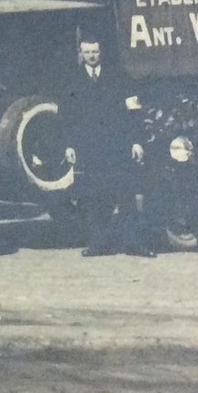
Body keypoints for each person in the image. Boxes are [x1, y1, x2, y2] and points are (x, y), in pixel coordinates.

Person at [58, 34, 153, 258]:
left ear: (102, 53)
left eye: (95, 52)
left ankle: (133, 243)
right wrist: (68, 145)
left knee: (126, 195)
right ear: (81, 54)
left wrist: (137, 141)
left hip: (118, 145)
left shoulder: (120, 77)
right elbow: (66, 116)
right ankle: (98, 244)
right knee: (94, 198)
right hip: (89, 147)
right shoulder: (72, 80)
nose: (92, 56)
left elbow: (134, 112)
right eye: (87, 52)